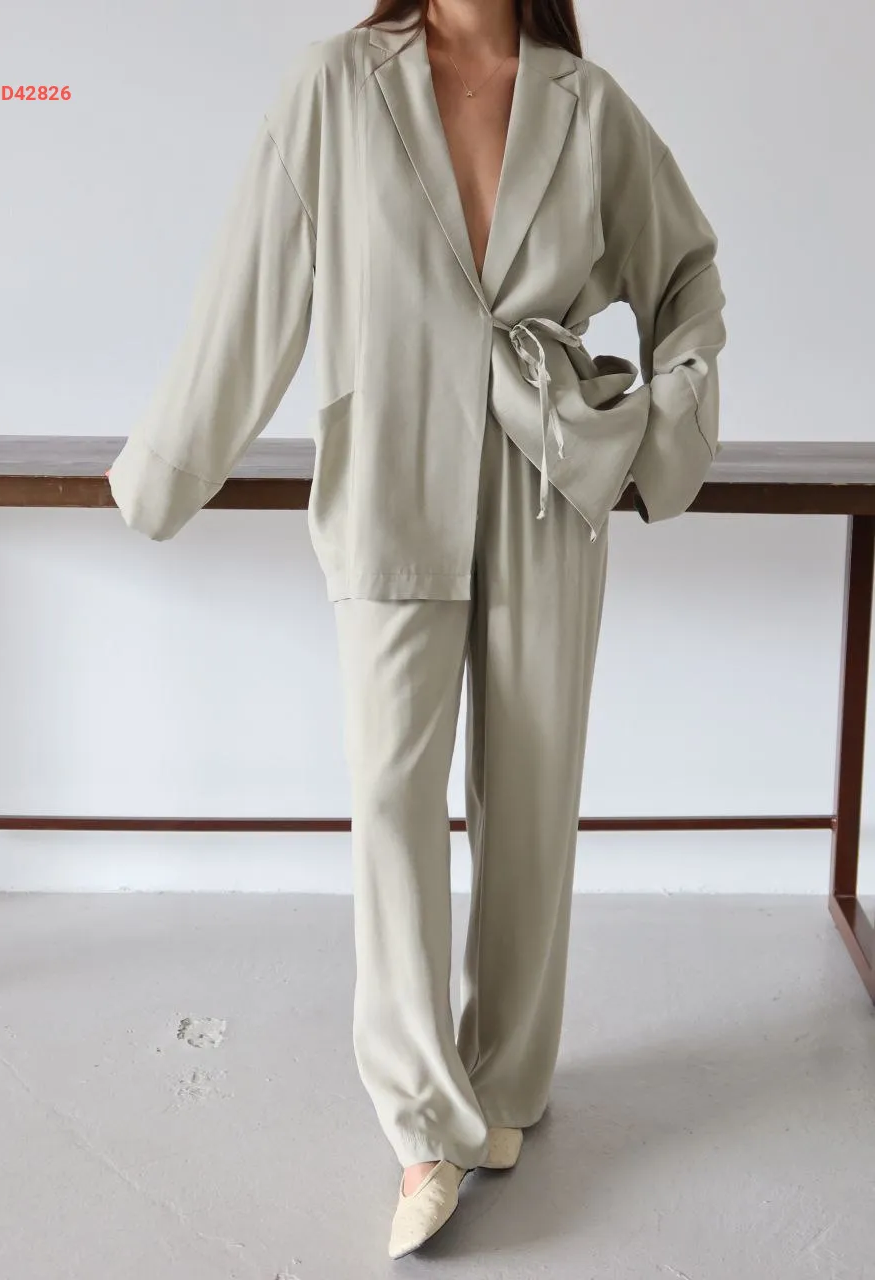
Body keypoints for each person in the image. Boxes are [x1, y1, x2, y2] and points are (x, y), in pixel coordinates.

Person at [106, 0, 726, 1259]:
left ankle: (505, 1084)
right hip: (391, 477)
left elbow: (688, 278)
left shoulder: (587, 107)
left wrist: (660, 433)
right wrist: (163, 469)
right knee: (391, 796)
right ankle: (422, 1126)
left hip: (547, 486)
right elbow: (251, 292)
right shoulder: (336, 87)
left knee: (531, 794)